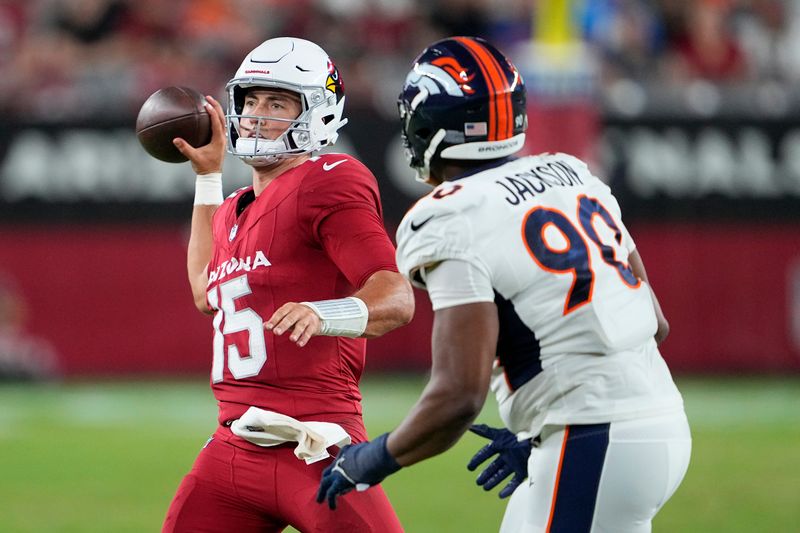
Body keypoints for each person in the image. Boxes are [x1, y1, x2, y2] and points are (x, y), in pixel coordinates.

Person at [317, 36, 691, 532]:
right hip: (657, 422)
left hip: (594, 435)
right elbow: (656, 323)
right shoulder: (572, 174)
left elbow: (458, 394)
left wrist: (376, 458)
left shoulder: (448, 215)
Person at [162, 37, 413, 533]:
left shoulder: (329, 179)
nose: (256, 116)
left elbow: (396, 297)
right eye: (251, 101)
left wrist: (326, 313)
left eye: (277, 103)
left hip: (315, 444)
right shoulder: (233, 207)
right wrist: (207, 178)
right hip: (232, 448)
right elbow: (202, 289)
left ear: (318, 114)